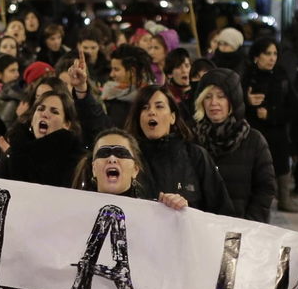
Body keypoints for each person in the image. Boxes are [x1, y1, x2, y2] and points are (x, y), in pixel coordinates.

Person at [127, 85, 228, 213]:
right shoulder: (127, 159)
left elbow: (222, 212)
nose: (151, 112)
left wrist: (187, 210)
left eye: (159, 106)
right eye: (145, 108)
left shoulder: (196, 156)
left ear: (172, 117)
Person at [192, 69, 275, 222]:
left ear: (233, 100)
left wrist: (250, 222)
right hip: (201, 230)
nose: (213, 103)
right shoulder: (193, 139)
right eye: (207, 97)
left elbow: (265, 188)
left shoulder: (254, 140)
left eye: (221, 96)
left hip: (241, 231)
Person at [0, 86, 85, 187]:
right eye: (40, 109)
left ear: (66, 125)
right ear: (32, 120)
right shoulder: (14, 146)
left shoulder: (76, 157)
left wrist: (14, 157)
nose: (44, 114)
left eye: (54, 112)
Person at [240, 39, 297, 194]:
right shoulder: (248, 76)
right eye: (268, 54)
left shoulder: (281, 75)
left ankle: (284, 197)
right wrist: (248, 101)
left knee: (280, 165)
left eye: (275, 54)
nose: (272, 58)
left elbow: (292, 105)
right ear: (256, 57)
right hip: (255, 131)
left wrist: (271, 114)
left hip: (277, 131)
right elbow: (237, 105)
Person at [73, 129, 158, 201]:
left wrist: (170, 207)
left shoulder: (151, 212)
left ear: (135, 170)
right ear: (93, 169)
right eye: (104, 153)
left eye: (121, 153)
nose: (112, 159)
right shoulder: (76, 208)